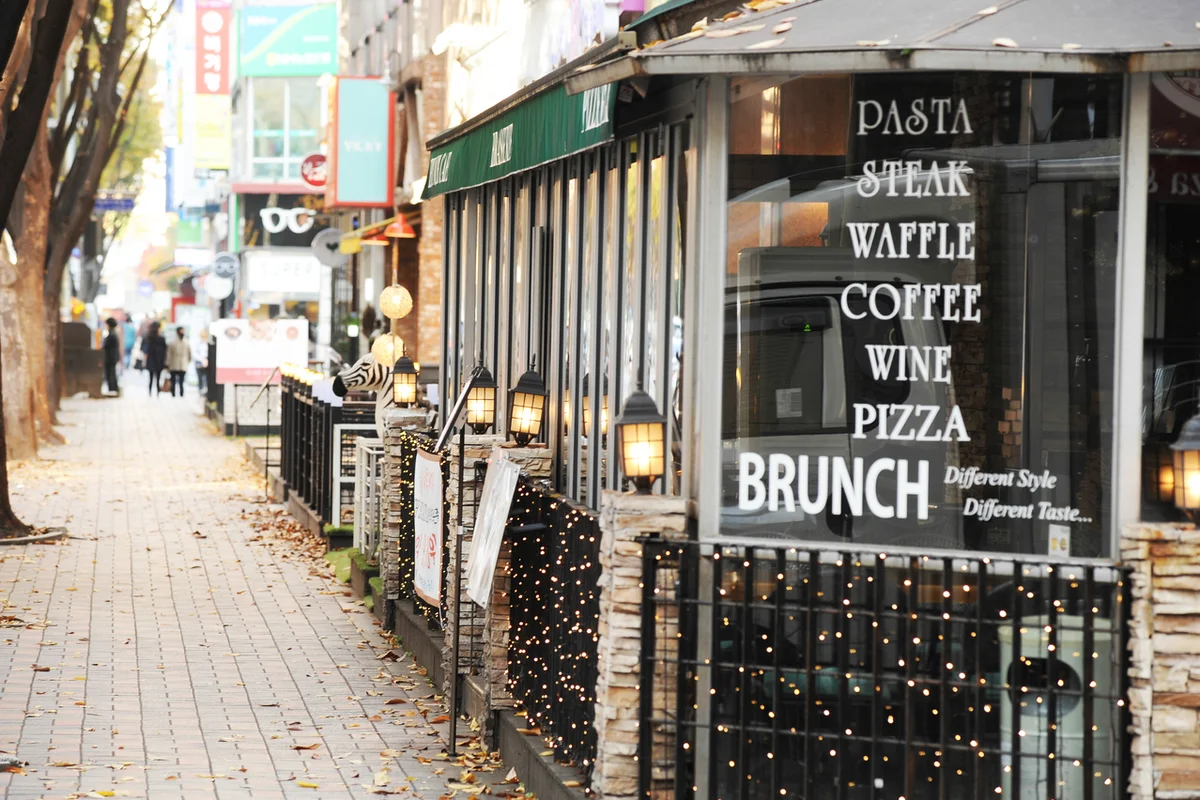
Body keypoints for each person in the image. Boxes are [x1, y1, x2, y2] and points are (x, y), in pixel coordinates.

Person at [140, 321, 167, 396]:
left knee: (151, 377)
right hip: (158, 360)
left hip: (151, 360)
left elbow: (142, 348)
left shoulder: (147, 337)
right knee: (157, 377)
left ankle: (150, 392)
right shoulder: (160, 338)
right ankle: (156, 392)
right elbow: (165, 349)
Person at [167, 326, 191, 397]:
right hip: (174, 364)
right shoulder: (172, 342)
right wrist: (167, 363)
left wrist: (187, 361)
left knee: (181, 381)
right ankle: (173, 393)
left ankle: (181, 394)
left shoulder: (186, 342)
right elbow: (169, 354)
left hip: (183, 364)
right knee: (173, 381)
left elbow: (190, 354)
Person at [102, 318, 121, 394]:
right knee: (111, 373)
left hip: (110, 357)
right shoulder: (113, 333)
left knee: (110, 373)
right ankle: (113, 389)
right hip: (112, 357)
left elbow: (106, 345)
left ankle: (112, 389)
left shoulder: (111, 334)